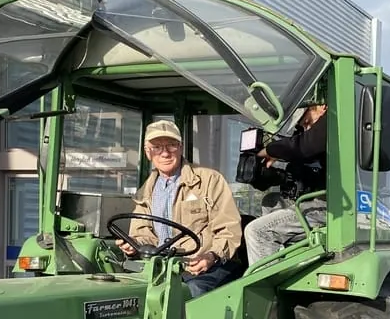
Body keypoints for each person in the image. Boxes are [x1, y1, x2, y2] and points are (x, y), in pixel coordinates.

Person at [120, 120, 243, 297]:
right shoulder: (145, 192)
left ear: (180, 147)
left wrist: (211, 255)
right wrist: (134, 245)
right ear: (148, 152)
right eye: (157, 147)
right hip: (163, 267)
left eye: (171, 145)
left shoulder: (209, 180)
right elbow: (143, 232)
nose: (165, 153)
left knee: (189, 293)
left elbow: (229, 229)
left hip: (206, 266)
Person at [243, 101, 328, 264]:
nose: (306, 129)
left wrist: (270, 150)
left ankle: (264, 285)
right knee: (271, 200)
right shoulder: (308, 140)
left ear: (320, 107)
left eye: (308, 122)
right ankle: (277, 261)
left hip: (329, 207)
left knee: (257, 231)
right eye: (302, 126)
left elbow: (304, 145)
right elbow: (297, 155)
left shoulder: (334, 121)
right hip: (307, 203)